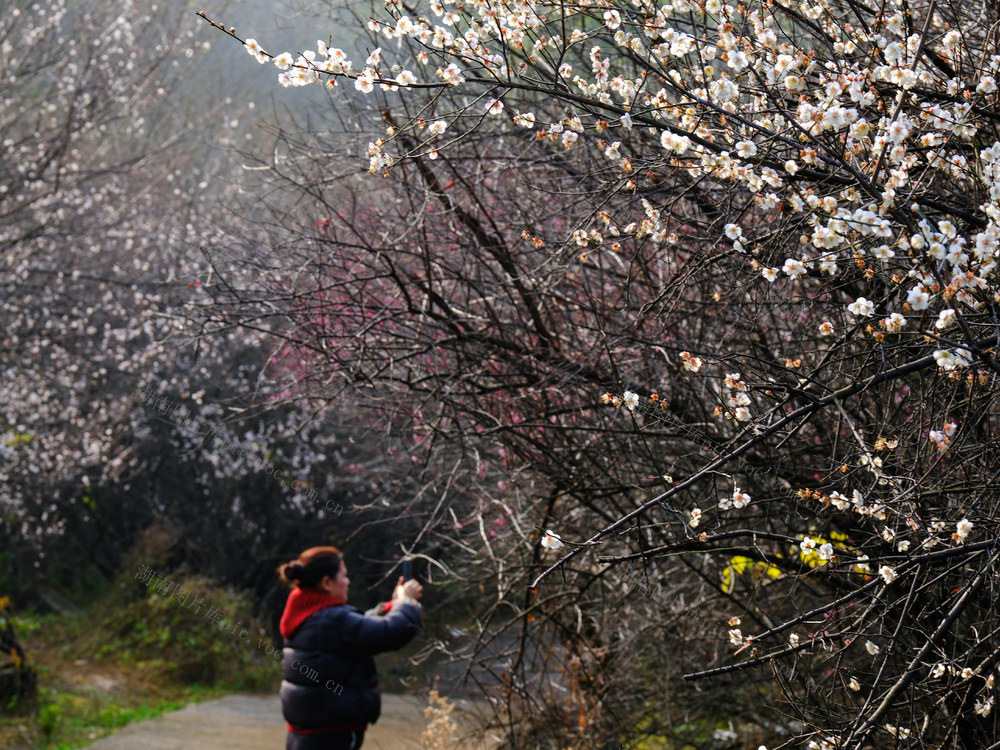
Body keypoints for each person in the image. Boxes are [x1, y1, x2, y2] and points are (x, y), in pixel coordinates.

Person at [277, 546, 423, 750]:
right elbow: (391, 633)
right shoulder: (332, 619)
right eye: (344, 576)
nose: (348, 581)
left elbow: (360, 628)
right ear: (326, 583)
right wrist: (406, 602)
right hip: (331, 737)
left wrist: (393, 606)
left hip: (309, 734)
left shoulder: (308, 614)